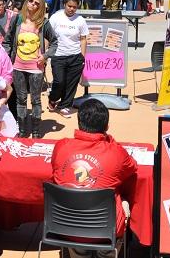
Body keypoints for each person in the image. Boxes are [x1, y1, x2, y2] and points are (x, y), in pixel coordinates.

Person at [51, 99, 137, 258]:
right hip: (105, 229)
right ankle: (106, 252)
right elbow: (132, 167)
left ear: (79, 123)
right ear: (106, 127)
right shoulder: (116, 152)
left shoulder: (61, 146)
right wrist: (110, 141)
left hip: (66, 226)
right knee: (124, 202)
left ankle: (79, 252)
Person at [4, 0, 58, 138]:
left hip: (36, 68)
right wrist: (8, 58)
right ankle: (22, 130)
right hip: (17, 66)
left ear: (41, 6)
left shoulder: (44, 23)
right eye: (31, 1)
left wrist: (45, 56)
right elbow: (7, 40)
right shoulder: (17, 19)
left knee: (35, 100)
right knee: (20, 99)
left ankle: (35, 131)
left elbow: (54, 42)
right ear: (27, 2)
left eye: (36, 3)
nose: (33, 5)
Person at [48, 0, 88, 118]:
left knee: (71, 83)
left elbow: (83, 39)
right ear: (64, 4)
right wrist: (46, 54)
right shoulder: (55, 17)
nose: (71, 9)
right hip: (58, 55)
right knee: (59, 81)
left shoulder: (80, 20)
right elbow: (47, 35)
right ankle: (53, 98)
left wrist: (82, 56)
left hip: (75, 56)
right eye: (69, 6)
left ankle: (64, 105)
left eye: (74, 7)